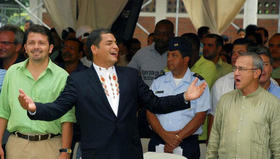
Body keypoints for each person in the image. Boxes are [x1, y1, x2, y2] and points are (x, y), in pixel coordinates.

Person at [18, 28, 207, 159]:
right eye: (109, 43)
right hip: (96, 154)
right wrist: (34, 108)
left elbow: (156, 103)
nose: (116, 47)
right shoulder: (79, 80)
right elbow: (58, 108)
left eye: (116, 43)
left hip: (129, 153)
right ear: (94, 49)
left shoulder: (131, 76)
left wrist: (184, 97)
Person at [0, 25, 76, 159]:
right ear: (25, 48)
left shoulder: (62, 76)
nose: (36, 47)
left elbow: (67, 118)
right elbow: (3, 111)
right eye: (31, 43)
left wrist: (65, 151)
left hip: (51, 146)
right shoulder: (12, 72)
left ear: (51, 48)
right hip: (17, 145)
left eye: (41, 43)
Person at [207, 52, 280, 159]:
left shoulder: (272, 103)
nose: (236, 73)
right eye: (235, 68)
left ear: (256, 73)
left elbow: (277, 147)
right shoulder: (225, 100)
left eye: (241, 69)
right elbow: (214, 141)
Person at [146, 37, 210, 159]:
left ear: (186, 59)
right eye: (168, 55)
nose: (169, 59)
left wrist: (176, 138)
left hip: (187, 143)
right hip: (159, 140)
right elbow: (150, 112)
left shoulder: (198, 83)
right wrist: (165, 136)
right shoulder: (158, 81)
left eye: (174, 55)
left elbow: (200, 117)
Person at [128, 19, 174, 86]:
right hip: (145, 95)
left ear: (172, 36)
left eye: (164, 34)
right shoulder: (142, 53)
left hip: (169, 96)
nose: (160, 37)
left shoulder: (177, 56)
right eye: (158, 33)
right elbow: (129, 74)